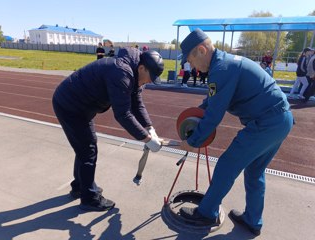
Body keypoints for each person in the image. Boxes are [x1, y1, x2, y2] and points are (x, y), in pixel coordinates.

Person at [178, 29, 294, 236]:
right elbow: (211, 103)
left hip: (266, 122)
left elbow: (214, 115)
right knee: (255, 172)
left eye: (191, 60)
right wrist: (195, 115)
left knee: (226, 165)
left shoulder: (221, 69)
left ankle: (206, 212)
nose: (192, 66)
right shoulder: (225, 63)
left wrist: (193, 141)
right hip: (281, 120)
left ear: (201, 50)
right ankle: (252, 220)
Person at [52, 48, 164, 211]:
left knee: (85, 148)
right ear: (142, 68)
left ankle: (79, 186)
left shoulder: (134, 73)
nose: (148, 82)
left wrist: (150, 128)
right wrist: (146, 139)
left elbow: (137, 104)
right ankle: (89, 198)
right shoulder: (121, 73)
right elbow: (123, 114)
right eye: (149, 78)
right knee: (88, 149)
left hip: (81, 106)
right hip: (70, 105)